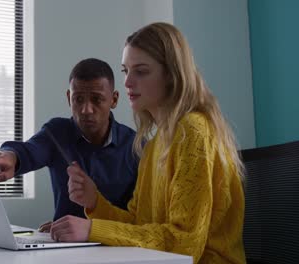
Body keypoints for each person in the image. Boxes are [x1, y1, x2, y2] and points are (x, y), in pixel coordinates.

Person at [49, 23, 246, 264]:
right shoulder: (153, 145)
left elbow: (185, 244)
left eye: (140, 71)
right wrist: (94, 202)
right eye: (125, 71)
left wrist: (91, 231)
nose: (128, 82)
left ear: (171, 75)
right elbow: (139, 225)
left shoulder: (193, 131)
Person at [0, 58, 139, 232]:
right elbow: (30, 151)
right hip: (65, 247)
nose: (86, 109)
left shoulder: (137, 148)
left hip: (119, 250)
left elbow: (140, 219)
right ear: (69, 98)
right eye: (78, 99)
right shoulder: (57, 132)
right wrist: (10, 156)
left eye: (97, 99)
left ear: (114, 99)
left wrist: (87, 230)